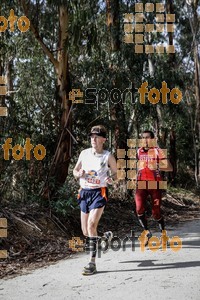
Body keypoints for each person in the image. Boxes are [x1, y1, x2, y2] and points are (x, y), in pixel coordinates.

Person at [73, 125, 117, 275]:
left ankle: (92, 263)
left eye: (97, 137)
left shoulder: (107, 156)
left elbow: (117, 174)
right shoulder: (84, 153)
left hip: (99, 193)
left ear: (104, 139)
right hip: (84, 193)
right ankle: (105, 237)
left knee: (92, 225)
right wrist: (78, 173)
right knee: (86, 231)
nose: (93, 139)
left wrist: (112, 178)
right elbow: (74, 170)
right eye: (92, 136)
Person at [134, 130, 173, 245]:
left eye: (147, 138)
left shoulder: (158, 151)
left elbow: (170, 167)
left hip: (155, 185)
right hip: (141, 185)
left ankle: (163, 235)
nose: (145, 140)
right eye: (143, 138)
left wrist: (158, 166)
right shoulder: (138, 151)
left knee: (156, 212)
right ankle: (147, 233)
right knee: (139, 209)